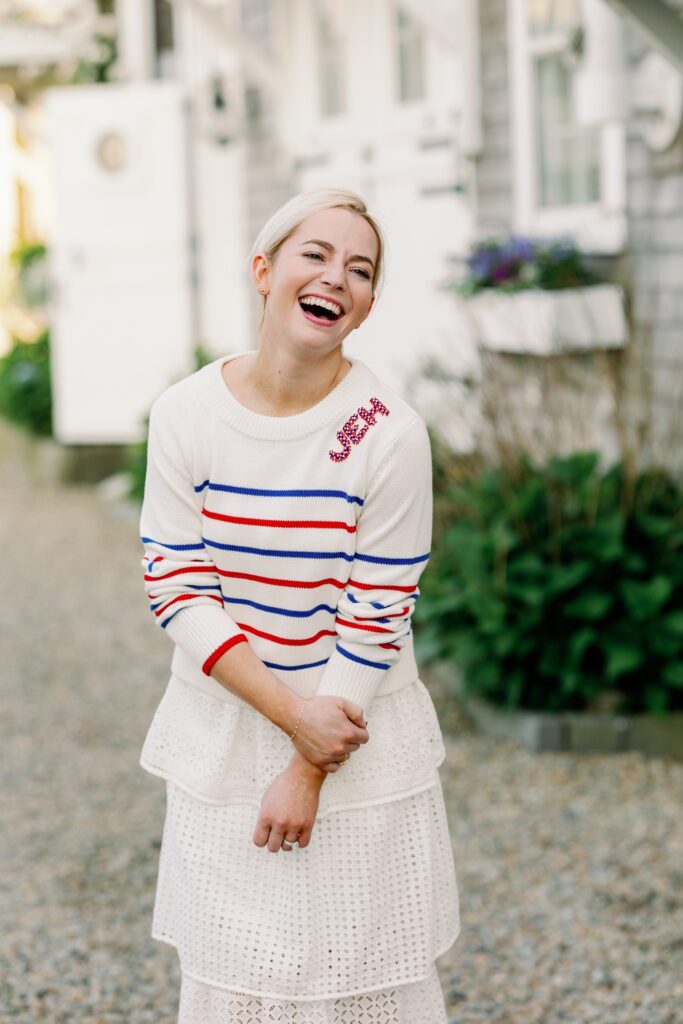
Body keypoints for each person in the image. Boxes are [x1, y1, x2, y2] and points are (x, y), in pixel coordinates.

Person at [138, 187, 461, 1023]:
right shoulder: (185, 415)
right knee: (237, 974)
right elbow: (176, 582)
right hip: (230, 724)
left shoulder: (385, 430)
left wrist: (311, 761)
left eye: (359, 269)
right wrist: (291, 721)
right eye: (314, 254)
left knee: (359, 974)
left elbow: (378, 606)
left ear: (366, 306)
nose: (334, 278)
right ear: (264, 271)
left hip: (352, 727)